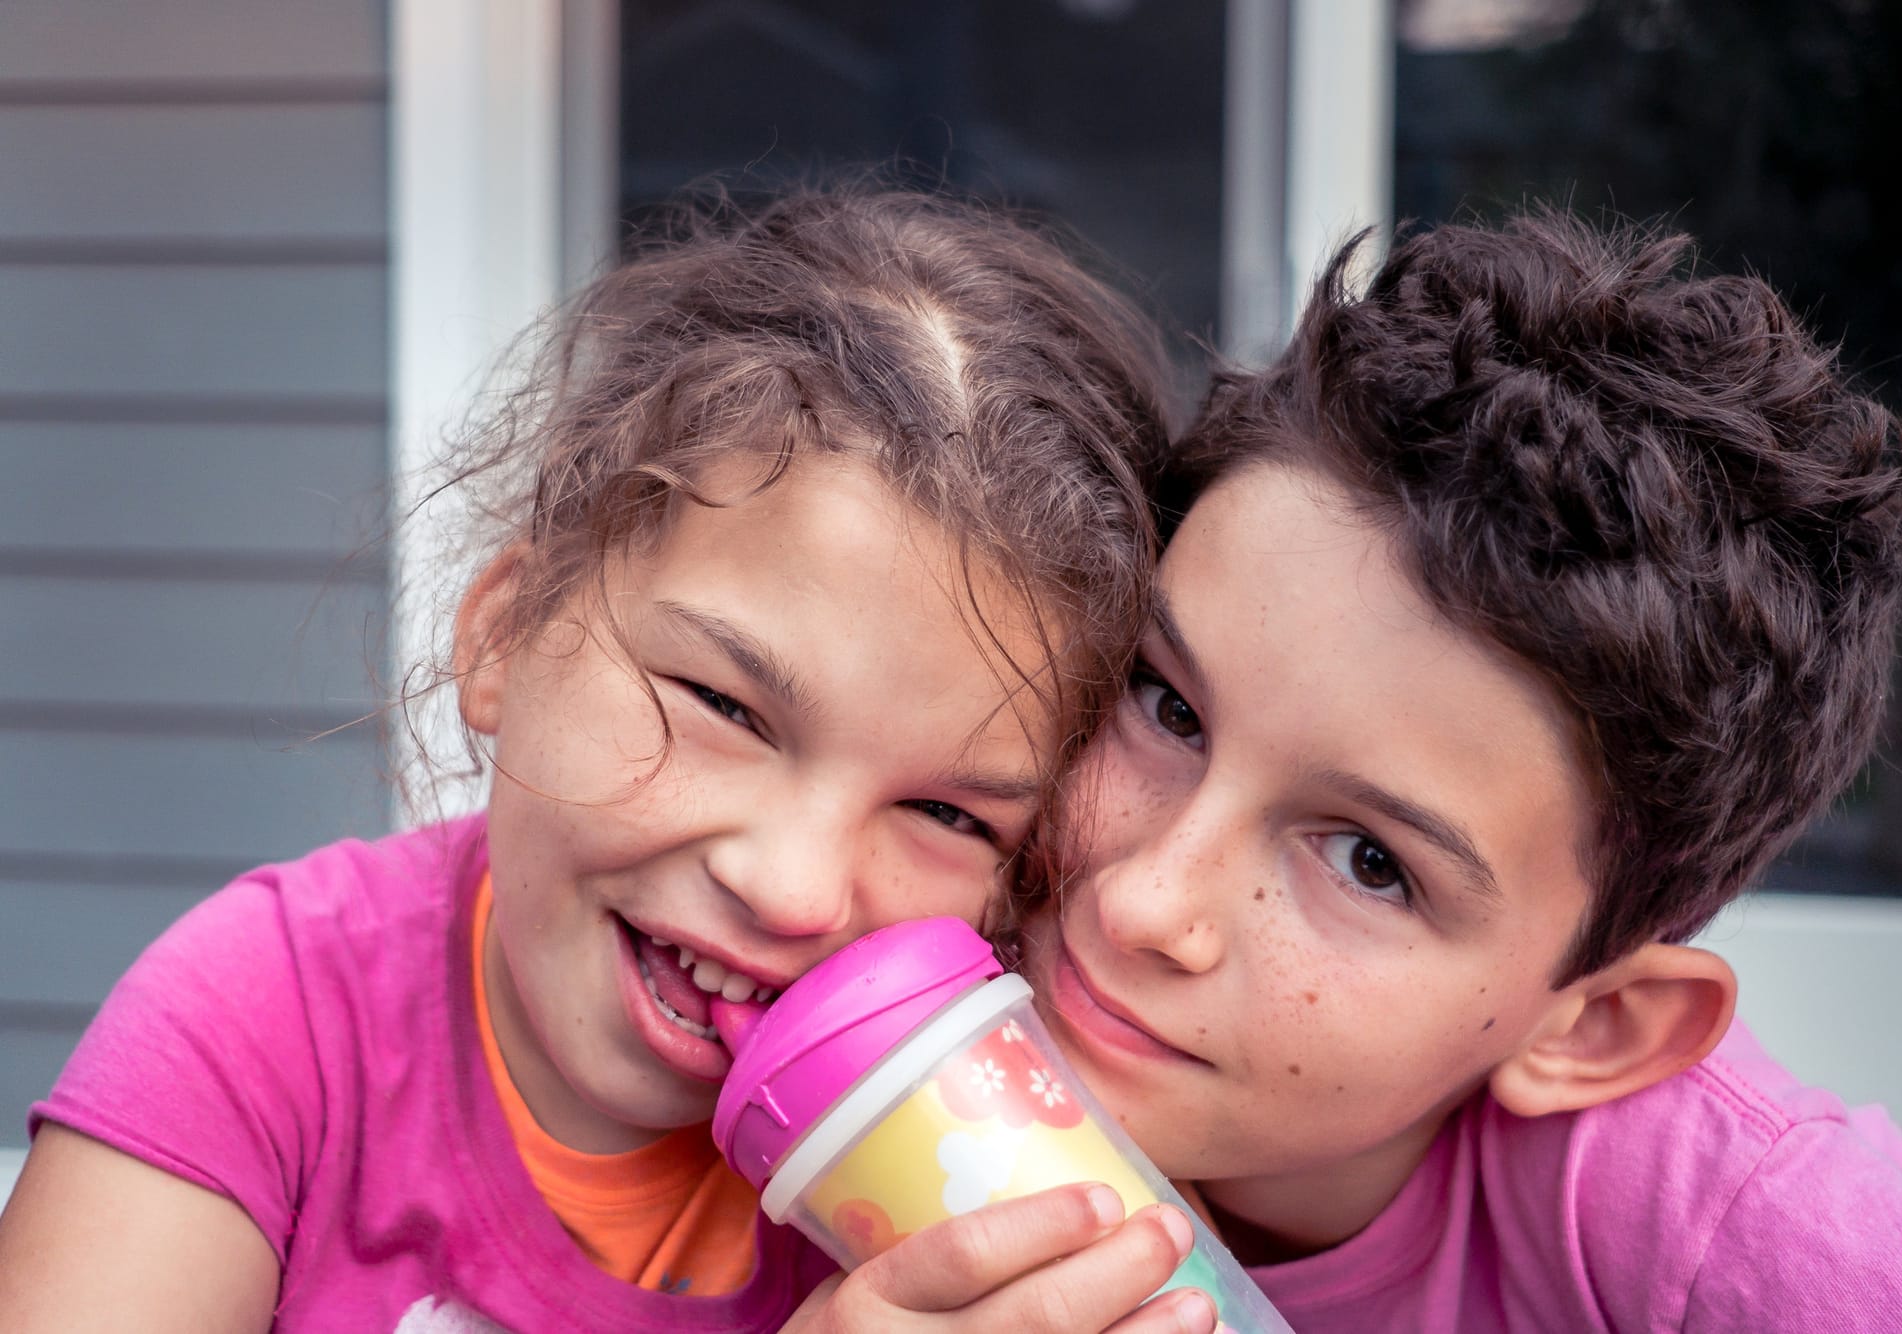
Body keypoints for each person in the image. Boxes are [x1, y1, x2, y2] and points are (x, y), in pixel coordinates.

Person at [0, 186, 1211, 1333]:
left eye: (946, 813)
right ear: (507, 631)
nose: (790, 888)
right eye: (724, 705)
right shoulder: (264, 1020)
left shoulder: (975, 1150)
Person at [1006, 213, 1902, 1329]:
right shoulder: (864, 903)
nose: (1142, 900)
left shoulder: (1737, 1215)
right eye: (1167, 705)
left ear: (1590, 1028)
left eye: (1370, 862)